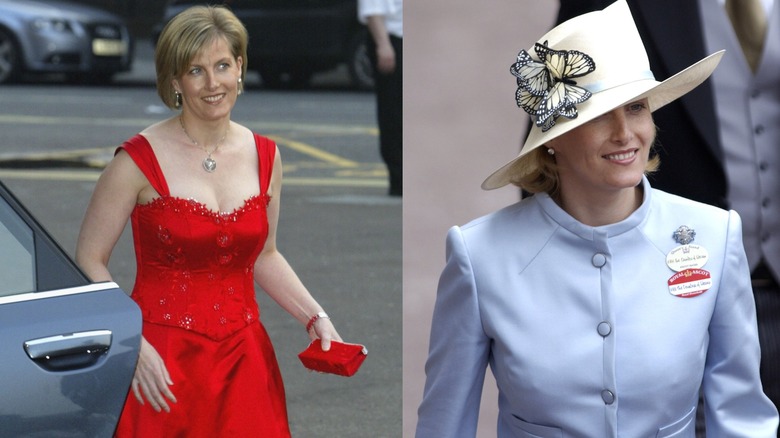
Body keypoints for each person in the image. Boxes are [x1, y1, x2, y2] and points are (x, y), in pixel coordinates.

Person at [415, 1, 778, 436]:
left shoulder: (716, 236)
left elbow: (741, 419)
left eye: (637, 107)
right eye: (600, 114)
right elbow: (444, 425)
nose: (625, 134)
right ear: (552, 139)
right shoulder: (478, 255)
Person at [75, 6, 340, 437]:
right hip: (160, 363)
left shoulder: (267, 156)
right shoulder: (137, 160)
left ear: (240, 68)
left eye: (222, 66)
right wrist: (131, 344)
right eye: (196, 71)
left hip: (245, 362)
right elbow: (89, 258)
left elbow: (265, 255)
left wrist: (315, 317)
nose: (213, 83)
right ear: (175, 81)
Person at [358, 0, 403, 196]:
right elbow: (371, 9)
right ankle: (398, 179)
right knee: (393, 114)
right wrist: (383, 45)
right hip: (391, 39)